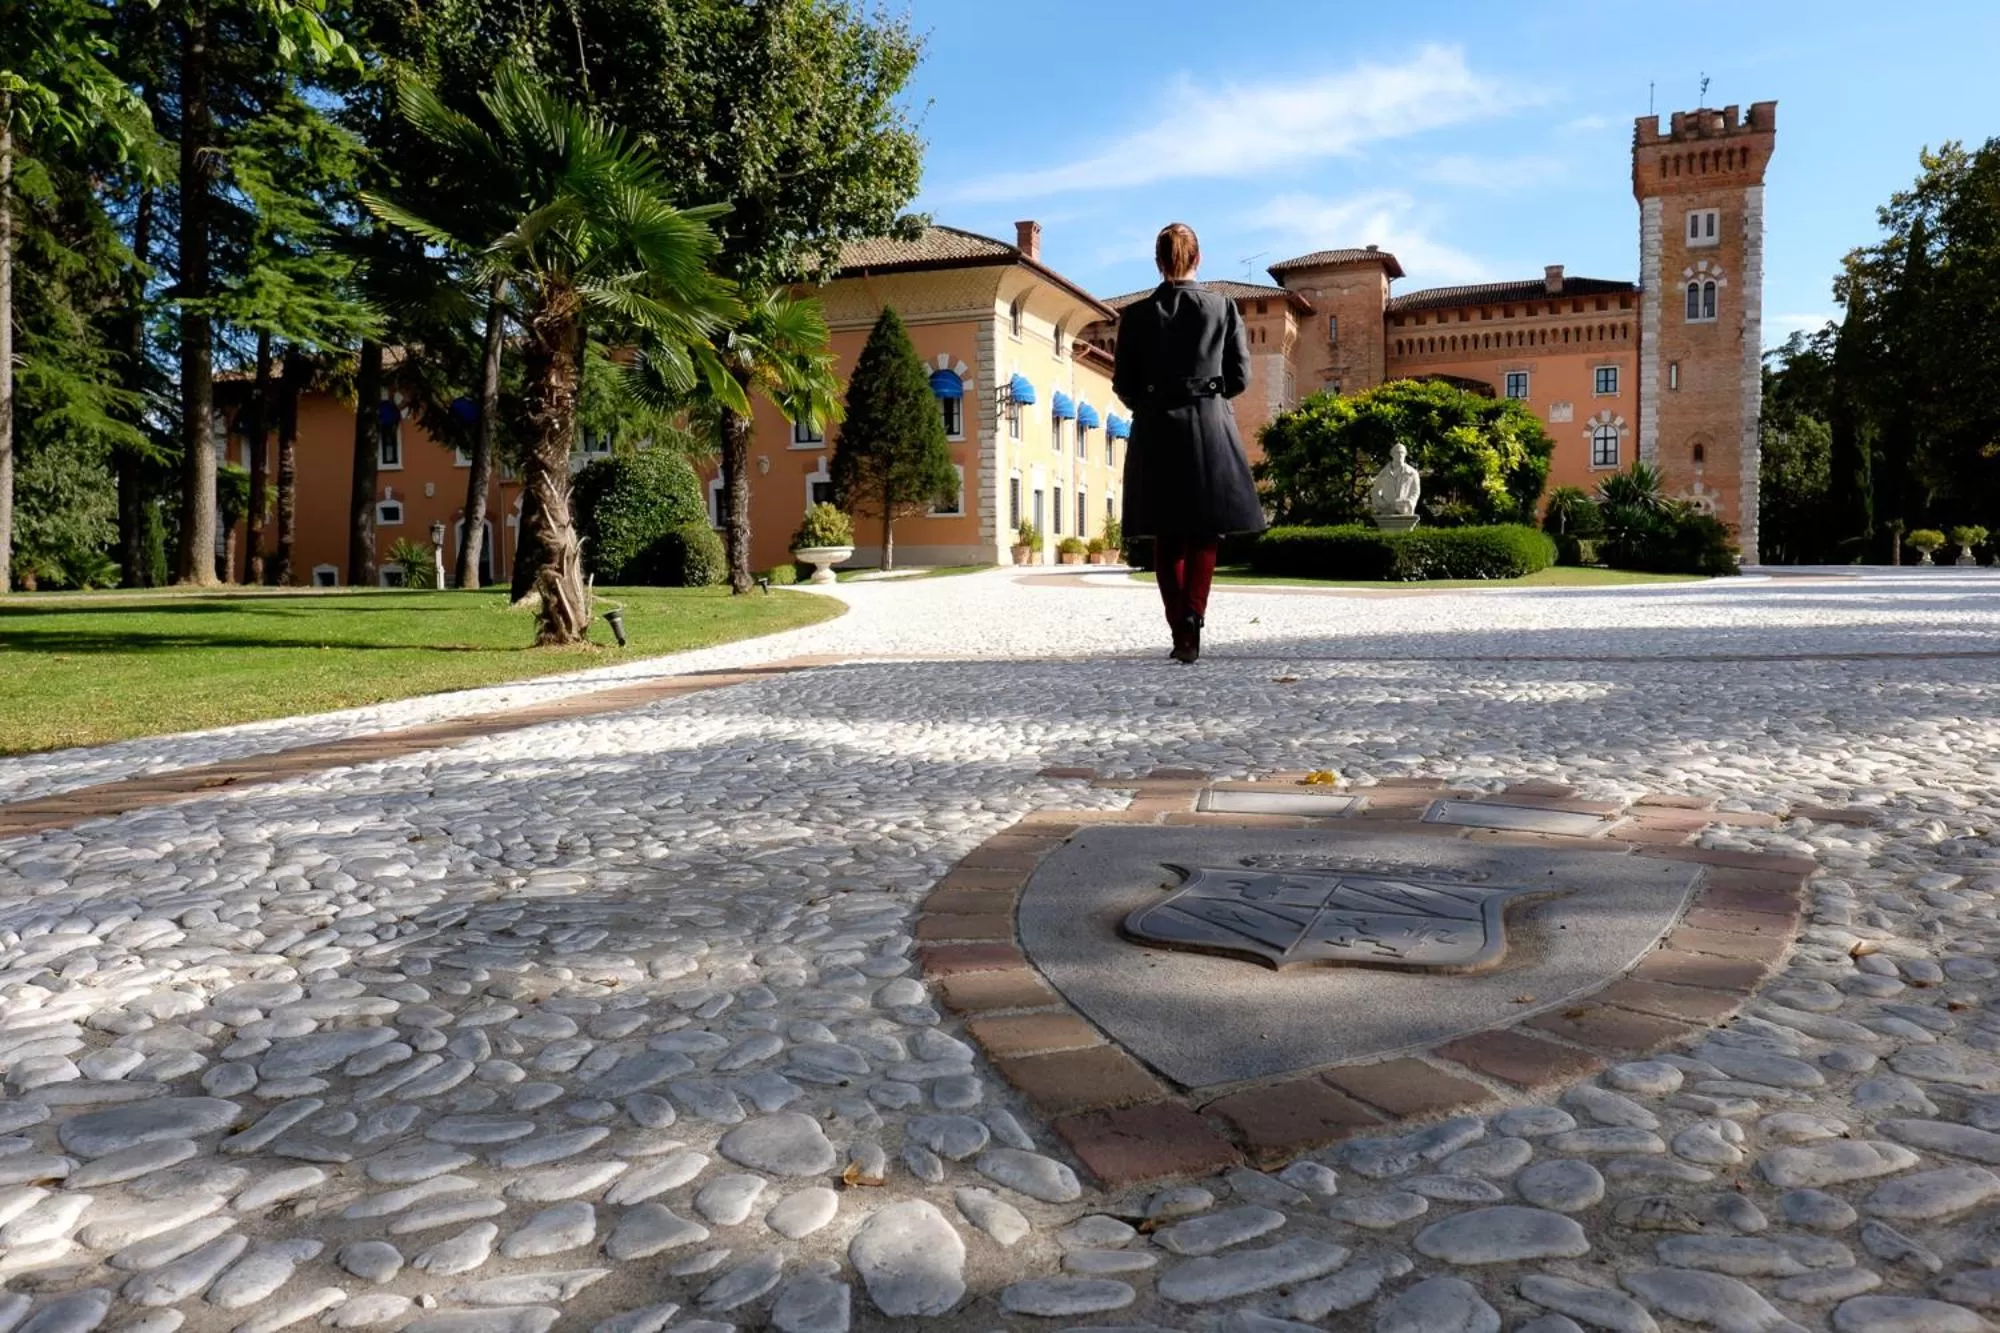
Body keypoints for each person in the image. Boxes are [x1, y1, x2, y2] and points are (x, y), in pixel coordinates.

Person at [1113, 223, 1267, 663]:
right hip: (1208, 424)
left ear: (1158, 261)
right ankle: (1195, 615)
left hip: (1156, 426)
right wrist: (1209, 395)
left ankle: (1180, 625)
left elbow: (1123, 382)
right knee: (1204, 531)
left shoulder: (1136, 316)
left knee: (1167, 535)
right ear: (1198, 259)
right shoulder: (1223, 308)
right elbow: (1240, 376)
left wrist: (1150, 401)